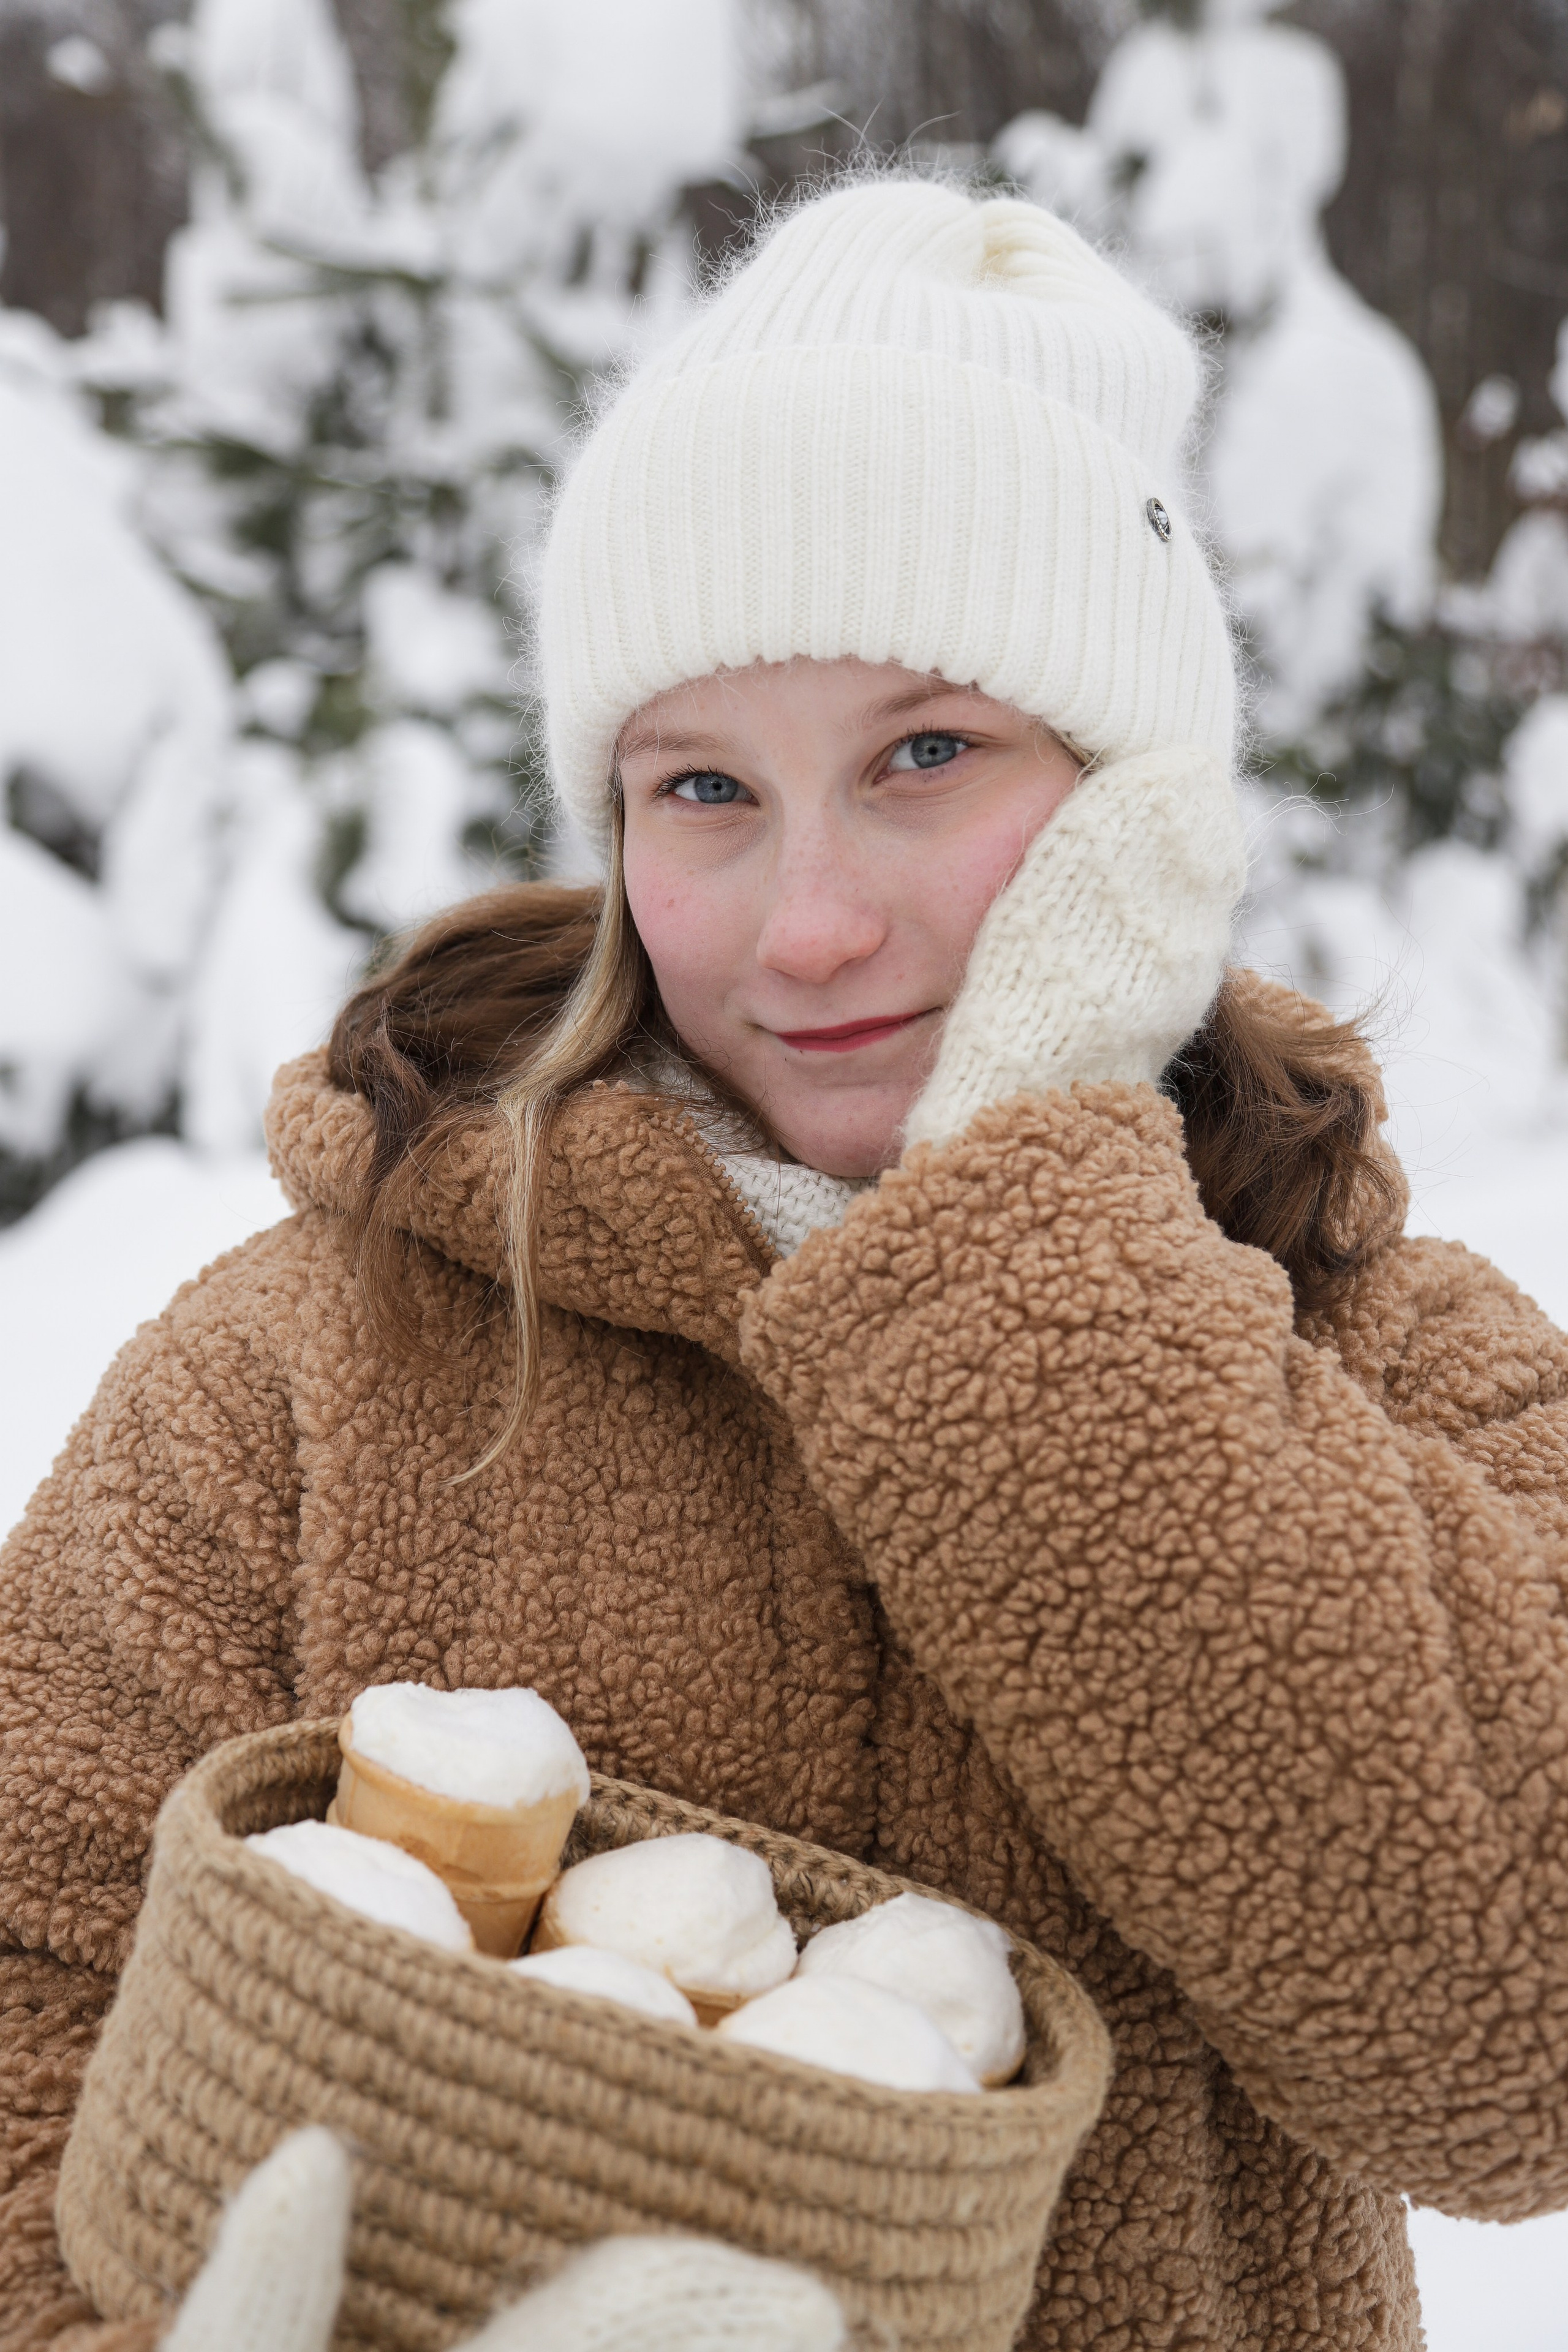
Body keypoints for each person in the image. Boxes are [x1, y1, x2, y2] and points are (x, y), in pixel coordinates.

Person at [4, 175, 1568, 2352]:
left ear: (1139, 806)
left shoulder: (1404, 1361)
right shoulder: (296, 1369)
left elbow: (1514, 2055)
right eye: (705, 788)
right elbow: (31, 1995)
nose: (805, 924)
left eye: (928, 753)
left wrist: (1029, 1209)